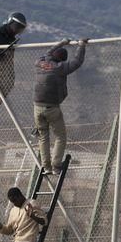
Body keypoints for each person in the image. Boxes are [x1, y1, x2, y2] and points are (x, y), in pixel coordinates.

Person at [33, 37, 88, 175]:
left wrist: (62, 43)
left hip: (37, 106)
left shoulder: (40, 63)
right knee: (60, 136)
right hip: (52, 107)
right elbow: (77, 62)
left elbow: (48, 51)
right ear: (62, 60)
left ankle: (46, 166)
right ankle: (56, 165)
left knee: (43, 136)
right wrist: (81, 45)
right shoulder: (60, 68)